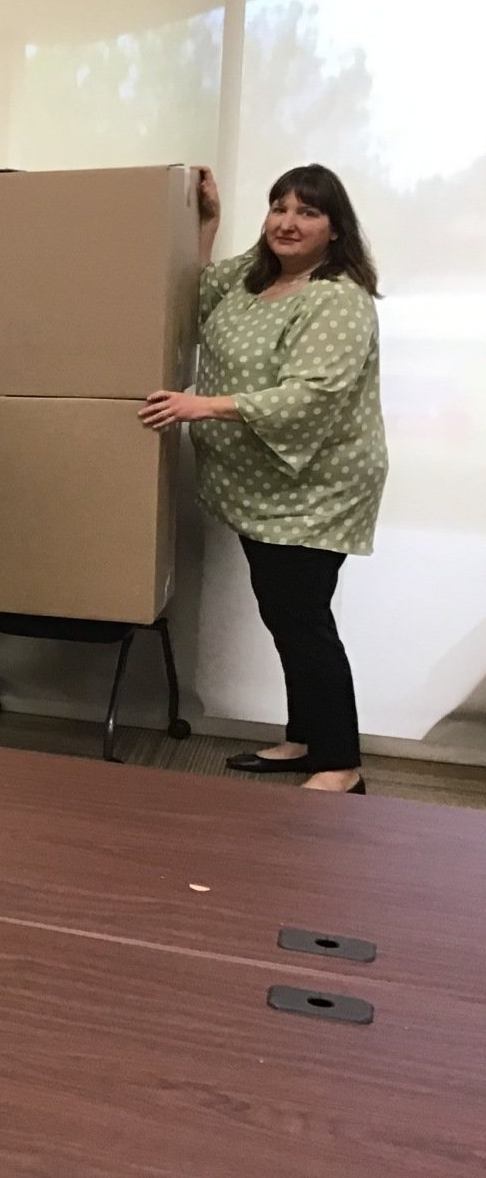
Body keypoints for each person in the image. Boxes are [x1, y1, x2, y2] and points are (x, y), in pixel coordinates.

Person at [140, 164, 386, 794]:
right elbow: (192, 293)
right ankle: (307, 739)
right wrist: (208, 221)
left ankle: (341, 765)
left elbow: (312, 395)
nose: (287, 221)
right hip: (262, 487)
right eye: (279, 206)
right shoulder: (256, 279)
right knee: (286, 613)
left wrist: (203, 405)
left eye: (307, 212)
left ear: (336, 230)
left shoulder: (336, 298)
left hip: (315, 491)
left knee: (301, 618)